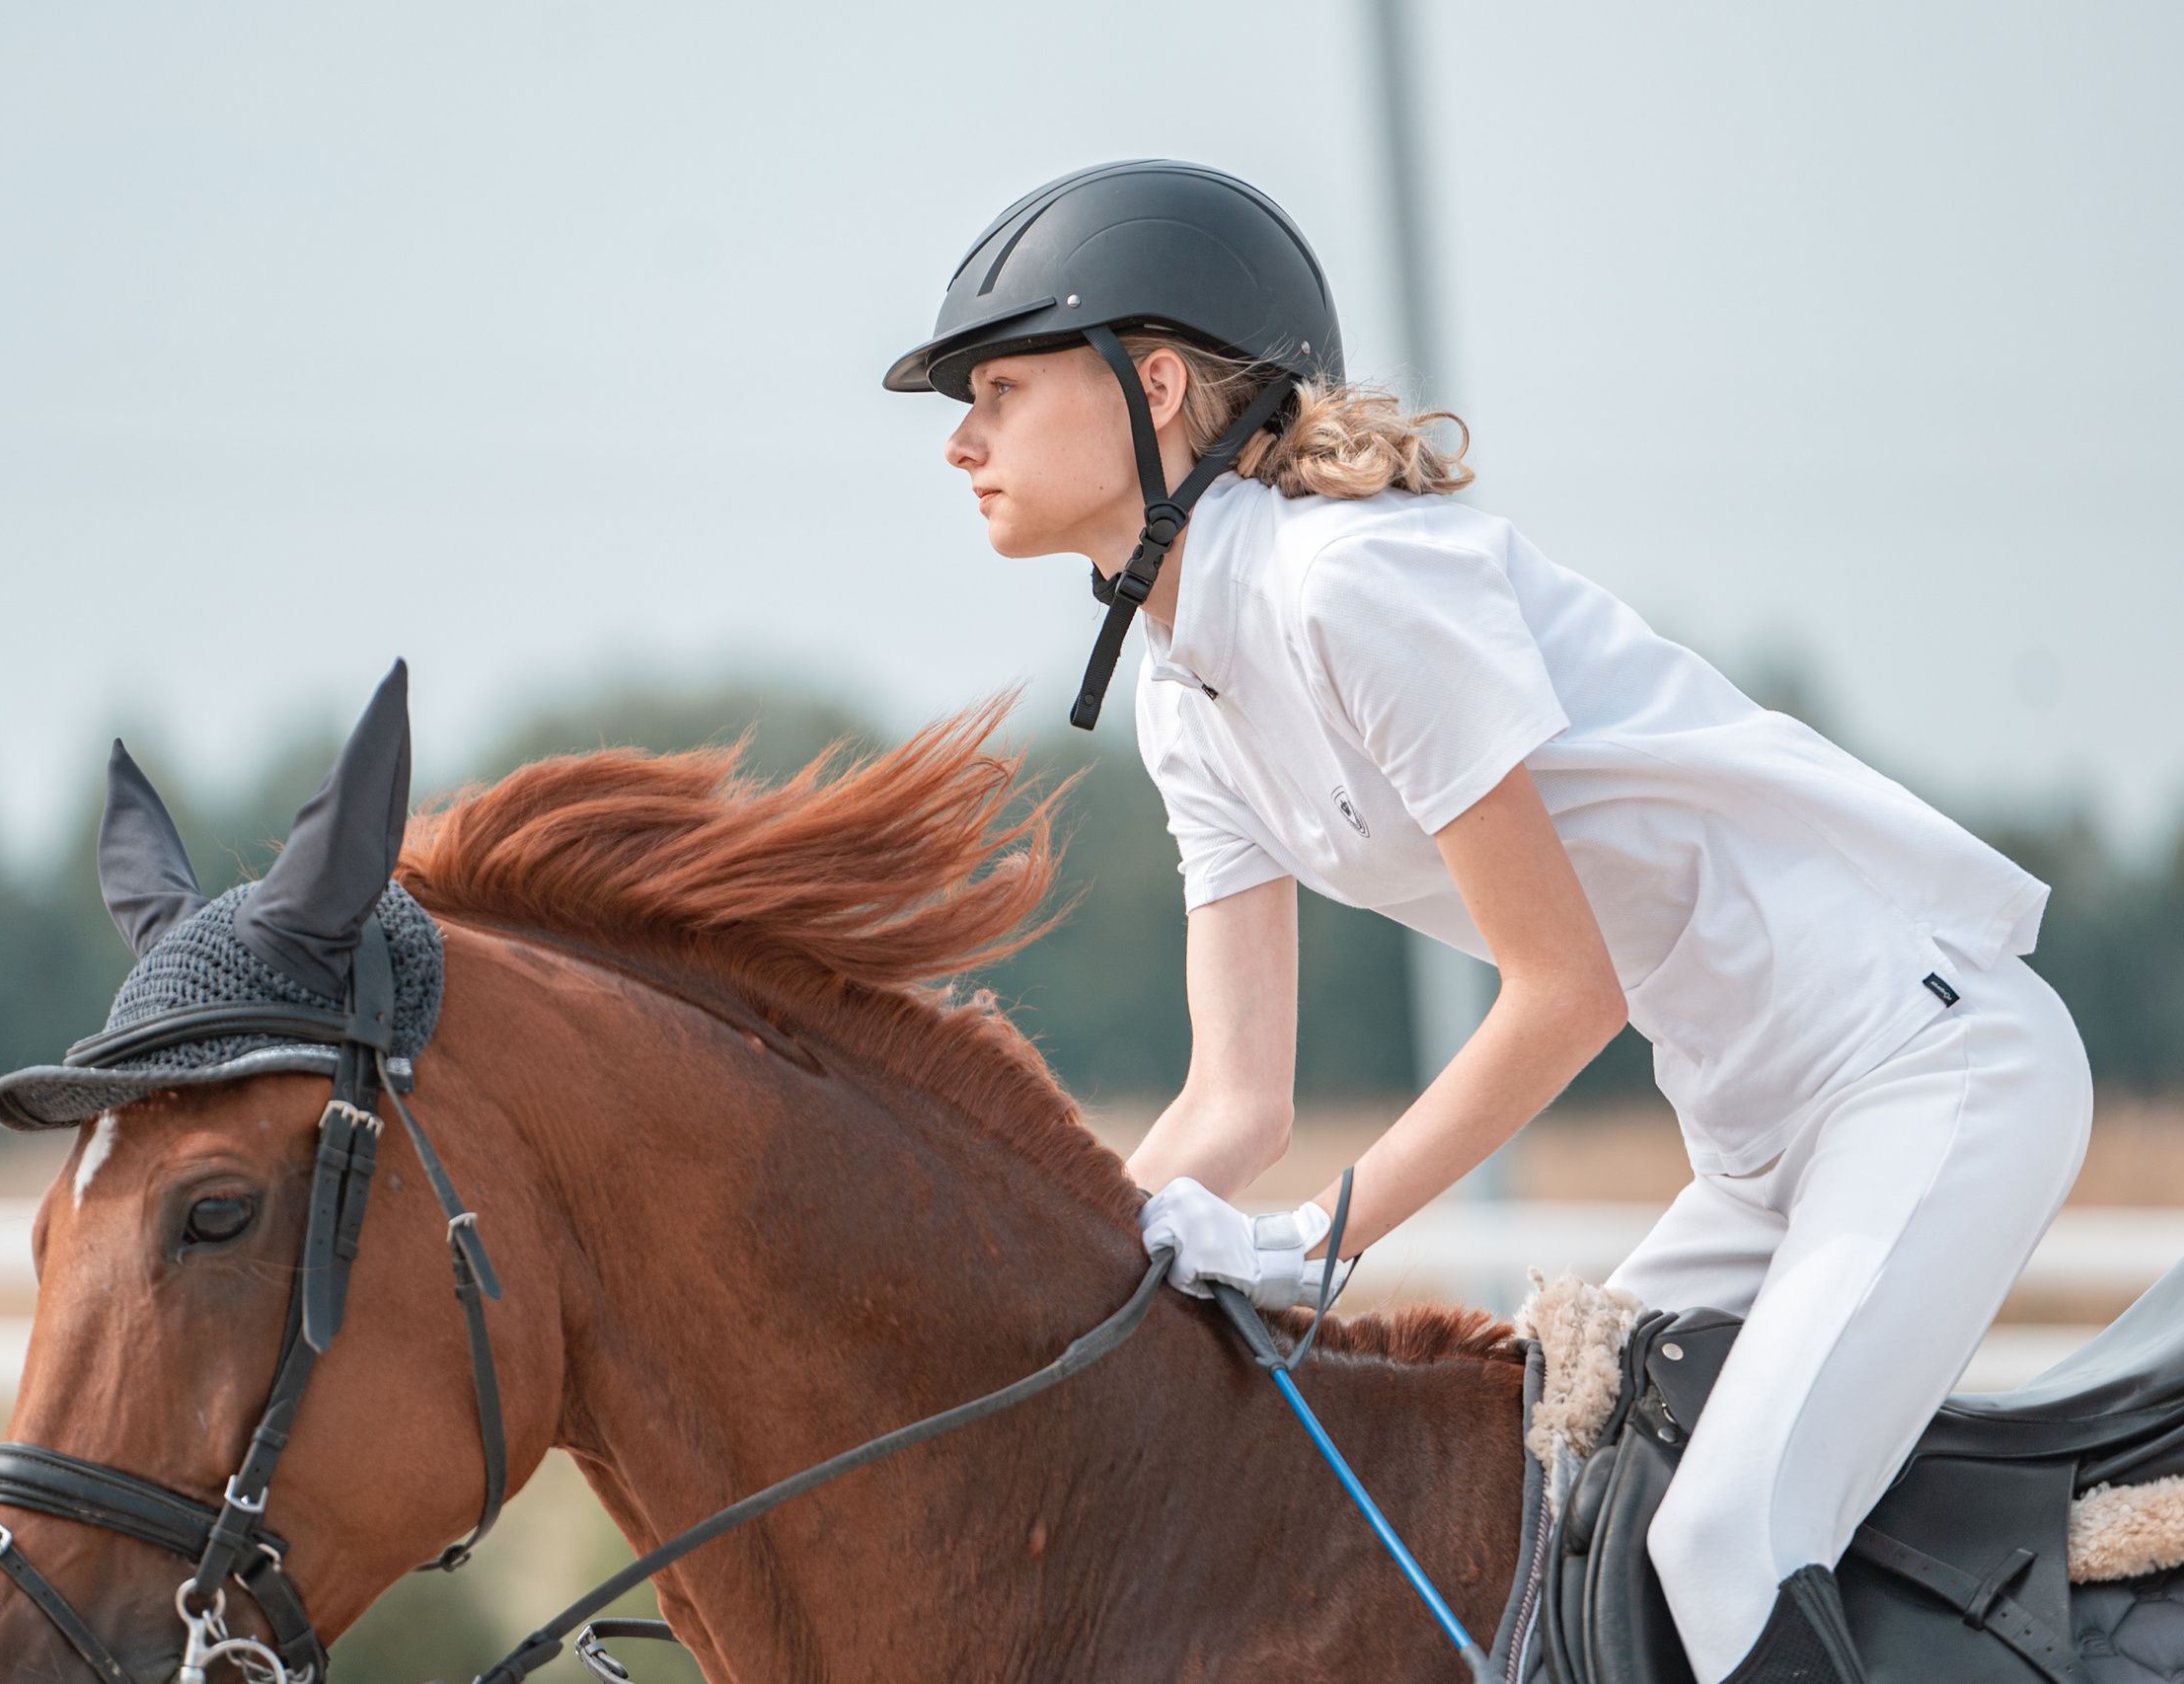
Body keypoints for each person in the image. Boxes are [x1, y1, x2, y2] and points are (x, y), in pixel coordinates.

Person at [882, 160, 2092, 1684]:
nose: (961, 440)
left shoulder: (1352, 590)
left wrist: (1316, 1247)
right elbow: (1231, 1100)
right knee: (1562, 1519)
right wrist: (1043, 1316)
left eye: (997, 383)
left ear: (1160, 381)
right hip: (1759, 1148)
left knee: (1720, 1545)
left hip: (1937, 1080)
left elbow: (1561, 992)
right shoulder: (1187, 700)